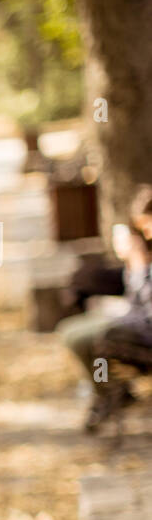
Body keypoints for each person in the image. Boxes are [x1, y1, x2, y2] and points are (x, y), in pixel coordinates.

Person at [58, 183, 152, 432]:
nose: (146, 230)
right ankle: (106, 388)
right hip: (133, 320)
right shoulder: (143, 246)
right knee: (72, 332)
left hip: (141, 328)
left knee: (91, 342)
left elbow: (147, 305)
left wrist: (139, 264)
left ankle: (107, 389)